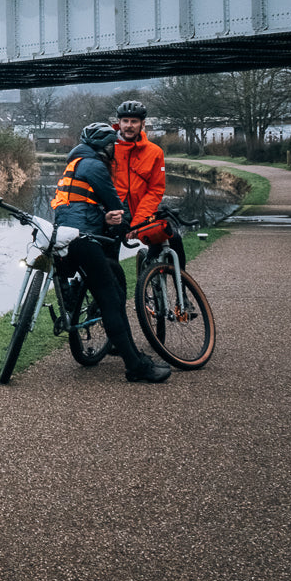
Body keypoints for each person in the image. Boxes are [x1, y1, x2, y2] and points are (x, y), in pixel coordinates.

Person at [51, 122, 172, 382]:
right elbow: (114, 203)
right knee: (110, 299)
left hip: (60, 235)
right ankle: (135, 366)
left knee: (88, 277)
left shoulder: (72, 166)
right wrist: (133, 226)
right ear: (106, 148)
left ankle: (69, 290)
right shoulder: (95, 166)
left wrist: (104, 218)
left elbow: (81, 205)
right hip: (84, 238)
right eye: (112, 147)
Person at [111, 99, 188, 271]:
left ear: (142, 124)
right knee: (108, 262)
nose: (129, 125)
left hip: (143, 213)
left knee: (173, 238)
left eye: (134, 121)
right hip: (114, 214)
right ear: (119, 123)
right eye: (125, 121)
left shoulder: (154, 152)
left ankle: (181, 286)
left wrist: (137, 222)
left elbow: (155, 190)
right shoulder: (108, 149)